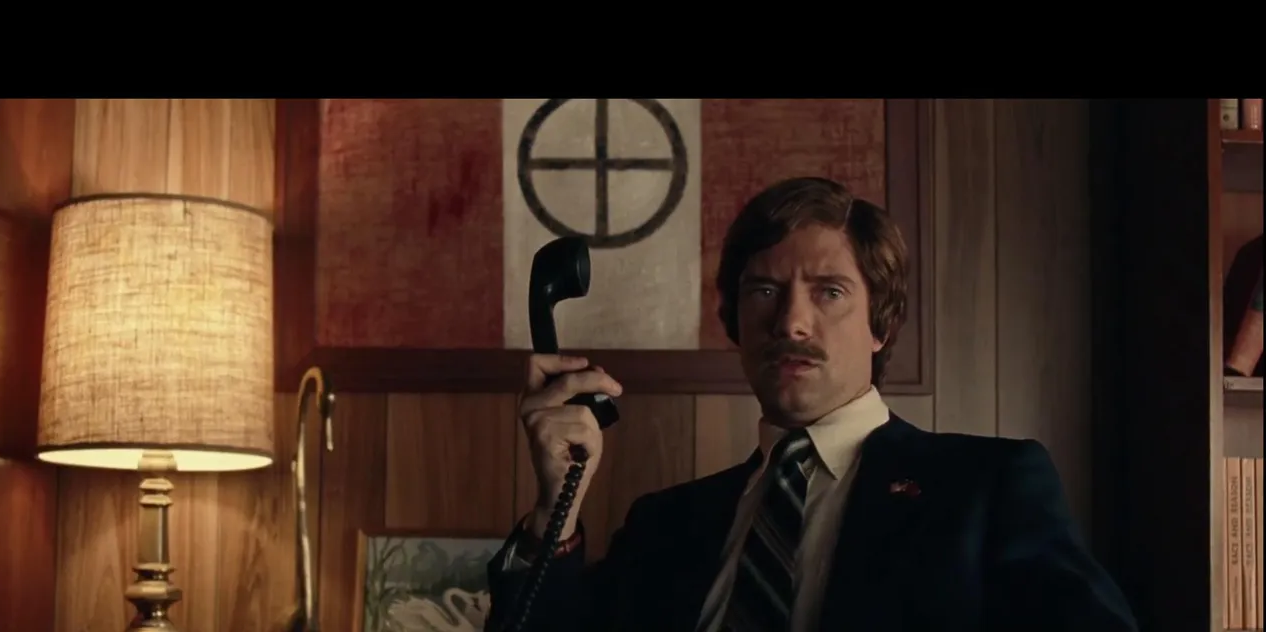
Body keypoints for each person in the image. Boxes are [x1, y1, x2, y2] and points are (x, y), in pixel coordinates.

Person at [484, 176, 1137, 632]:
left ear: (881, 324)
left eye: (829, 291)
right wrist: (555, 509)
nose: (791, 322)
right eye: (764, 291)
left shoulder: (987, 488)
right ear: (736, 323)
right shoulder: (666, 524)